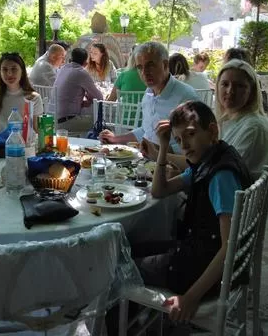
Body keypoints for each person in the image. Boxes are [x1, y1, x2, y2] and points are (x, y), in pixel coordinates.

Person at [105, 101, 252, 335]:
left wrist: (190, 297)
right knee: (125, 249)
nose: (184, 145)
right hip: (196, 252)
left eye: (190, 135)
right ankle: (140, 322)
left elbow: (229, 247)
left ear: (212, 131)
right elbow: (159, 190)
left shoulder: (220, 176)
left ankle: (123, 328)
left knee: (115, 265)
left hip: (199, 270)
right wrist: (163, 148)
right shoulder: (209, 160)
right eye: (178, 139)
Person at [141, 59, 268, 179]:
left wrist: (160, 156)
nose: (230, 91)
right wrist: (160, 151)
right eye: (225, 84)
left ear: (252, 91)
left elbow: (218, 172)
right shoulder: (230, 120)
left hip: (226, 195)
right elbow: (205, 160)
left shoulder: (253, 127)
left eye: (240, 86)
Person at [99, 41, 199, 152]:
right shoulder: (148, 93)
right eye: (140, 67)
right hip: (146, 158)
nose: (144, 72)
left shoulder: (185, 96)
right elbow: (146, 130)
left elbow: (197, 143)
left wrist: (160, 151)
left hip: (171, 162)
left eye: (150, 66)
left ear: (165, 65)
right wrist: (115, 139)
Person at [0, 52, 44, 133]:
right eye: (5, 69)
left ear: (22, 71)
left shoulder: (34, 97)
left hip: (29, 141)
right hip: (4, 140)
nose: (9, 73)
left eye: (14, 69)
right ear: (0, 73)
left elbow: (37, 130)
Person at [54, 47, 104, 134]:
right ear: (85, 62)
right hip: (66, 121)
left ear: (71, 58)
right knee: (100, 122)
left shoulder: (63, 69)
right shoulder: (81, 73)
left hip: (54, 119)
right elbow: (99, 97)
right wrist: (89, 98)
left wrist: (81, 101)